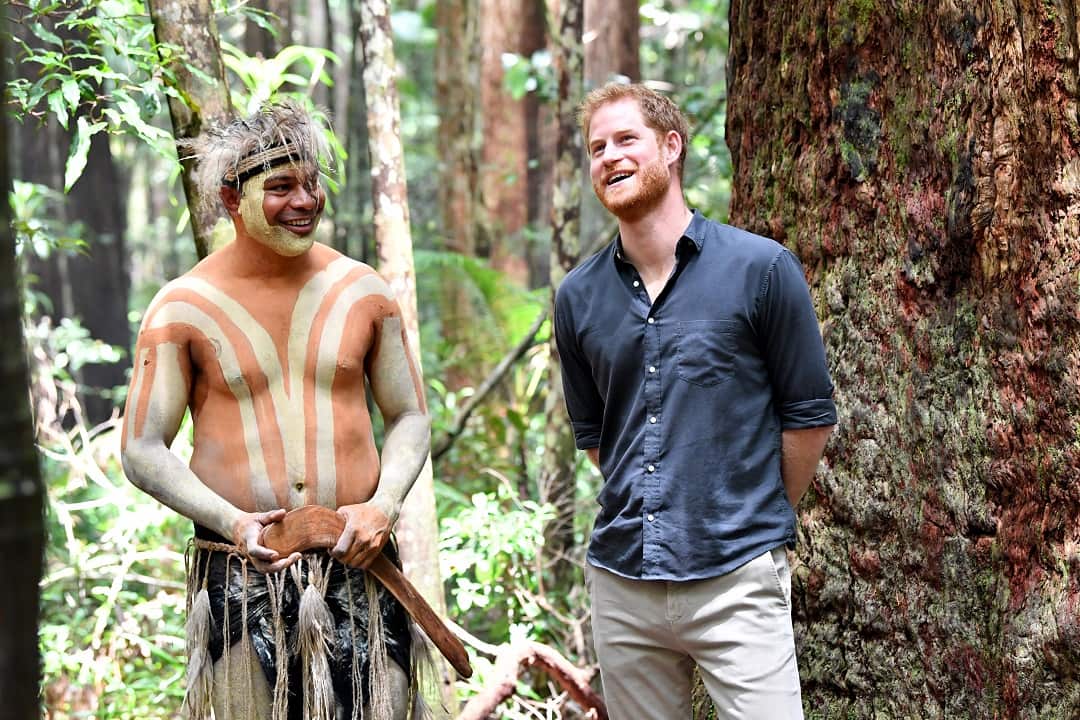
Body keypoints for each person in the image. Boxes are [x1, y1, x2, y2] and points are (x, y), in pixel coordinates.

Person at [121, 101, 431, 720]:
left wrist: (384, 504)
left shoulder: (363, 290)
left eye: (311, 183)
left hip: (361, 565)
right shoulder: (181, 307)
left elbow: (410, 416)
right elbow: (140, 447)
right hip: (241, 578)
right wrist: (232, 520)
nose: (305, 200)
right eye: (281, 186)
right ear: (233, 199)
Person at [553, 82, 837, 719]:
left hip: (737, 578)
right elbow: (601, 438)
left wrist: (749, 515)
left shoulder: (761, 269)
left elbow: (809, 418)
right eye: (597, 147)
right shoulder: (577, 298)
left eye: (627, 139)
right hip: (624, 584)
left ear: (671, 147)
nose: (609, 157)